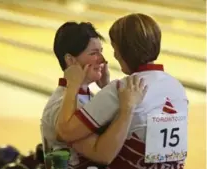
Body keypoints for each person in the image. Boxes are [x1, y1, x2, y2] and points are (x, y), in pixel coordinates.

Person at [56, 13, 188, 169]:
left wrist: (73, 85)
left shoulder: (121, 89)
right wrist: (106, 87)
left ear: (125, 51)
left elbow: (65, 132)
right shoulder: (176, 87)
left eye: (115, 48)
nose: (114, 55)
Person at [40, 21, 148, 169]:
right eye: (93, 53)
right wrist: (125, 108)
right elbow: (102, 154)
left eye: (101, 52)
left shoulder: (84, 96)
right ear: (71, 60)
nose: (102, 60)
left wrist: (106, 88)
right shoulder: (61, 105)